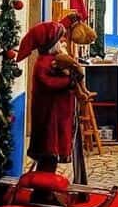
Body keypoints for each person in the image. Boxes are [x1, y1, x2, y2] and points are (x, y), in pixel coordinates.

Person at [16, 21, 80, 174]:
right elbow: (49, 83)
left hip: (56, 115)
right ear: (51, 43)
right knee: (48, 154)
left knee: (51, 156)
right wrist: (69, 81)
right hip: (49, 116)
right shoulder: (44, 63)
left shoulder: (53, 59)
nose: (63, 41)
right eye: (59, 39)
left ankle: (45, 182)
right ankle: (44, 185)